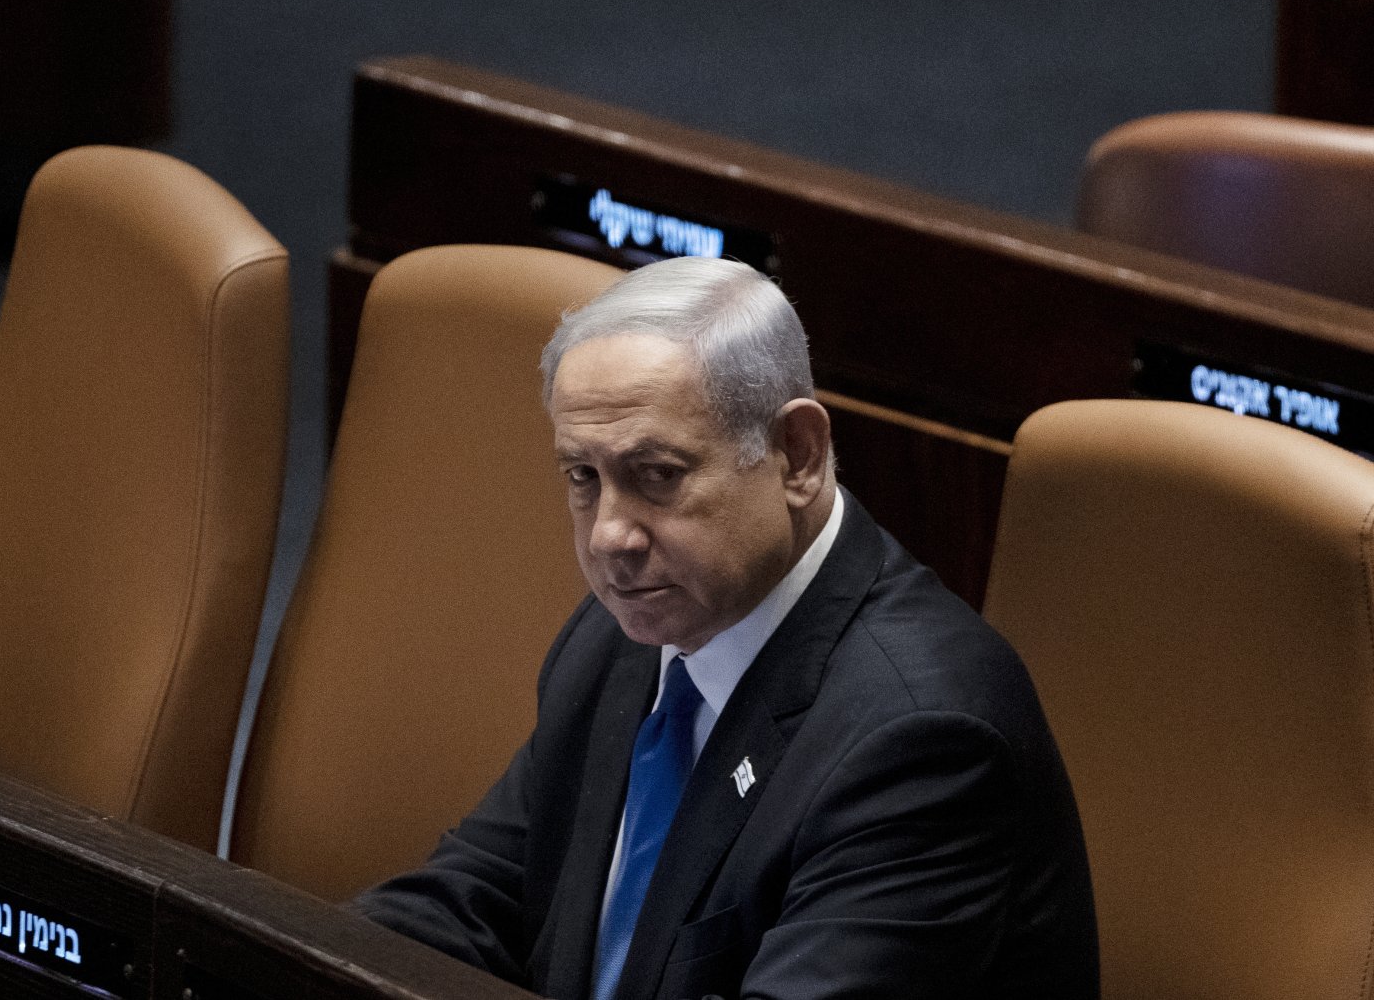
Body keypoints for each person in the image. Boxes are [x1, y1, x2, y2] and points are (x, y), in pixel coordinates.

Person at [352, 256, 1098, 1000]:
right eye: (584, 476)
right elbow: (477, 903)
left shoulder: (921, 739)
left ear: (796, 456)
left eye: (657, 474)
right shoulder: (631, 632)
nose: (611, 535)